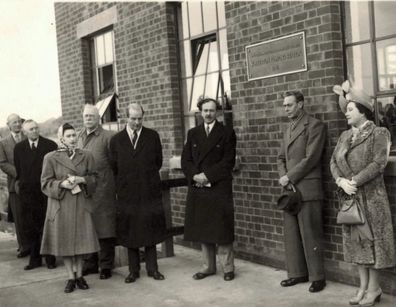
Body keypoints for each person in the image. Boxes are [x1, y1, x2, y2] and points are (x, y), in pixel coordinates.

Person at [330, 87, 395, 306]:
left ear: (362, 111)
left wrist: (353, 182)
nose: (346, 113)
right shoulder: (344, 136)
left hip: (371, 199)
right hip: (351, 200)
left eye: (350, 109)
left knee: (372, 243)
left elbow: (378, 163)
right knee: (356, 245)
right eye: (346, 109)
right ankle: (362, 287)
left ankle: (374, 289)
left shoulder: (379, 133)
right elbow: (333, 162)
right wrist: (340, 181)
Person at [109, 103, 166, 283]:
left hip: (149, 191)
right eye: (133, 119)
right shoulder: (116, 140)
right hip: (128, 194)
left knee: (150, 230)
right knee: (130, 231)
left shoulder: (152, 136)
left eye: (140, 118)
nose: (136, 122)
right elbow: (114, 167)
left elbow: (158, 162)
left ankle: (152, 268)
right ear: (126, 118)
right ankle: (133, 270)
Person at [181, 97, 237, 281]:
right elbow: (185, 160)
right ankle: (208, 267)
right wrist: (195, 176)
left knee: (222, 228)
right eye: (205, 110)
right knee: (204, 227)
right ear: (200, 112)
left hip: (219, 187)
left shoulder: (227, 133)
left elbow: (228, 161)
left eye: (212, 110)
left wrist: (208, 176)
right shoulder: (193, 133)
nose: (208, 114)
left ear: (217, 112)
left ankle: (228, 268)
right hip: (199, 186)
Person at [40, 123, 100, 293]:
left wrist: (83, 180)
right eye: (69, 136)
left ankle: (80, 276)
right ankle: (70, 277)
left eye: (74, 135)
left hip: (81, 203)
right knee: (65, 243)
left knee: (81, 241)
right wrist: (62, 184)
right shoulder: (50, 158)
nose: (73, 139)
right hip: (61, 205)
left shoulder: (86, 155)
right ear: (61, 139)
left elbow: (95, 178)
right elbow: (45, 184)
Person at [277, 91, 326, 292]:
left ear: (301, 104)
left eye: (289, 105)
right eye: (284, 105)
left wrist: (289, 176)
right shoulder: (288, 128)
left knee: (310, 233)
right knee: (292, 233)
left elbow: (311, 158)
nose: (286, 108)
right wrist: (283, 177)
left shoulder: (314, 125)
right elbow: (280, 157)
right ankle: (297, 273)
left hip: (307, 188)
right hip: (290, 189)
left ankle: (318, 277)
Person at [77, 104, 116, 280]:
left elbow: (116, 164)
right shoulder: (78, 137)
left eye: (91, 116)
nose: (88, 119)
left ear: (98, 118)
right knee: (88, 228)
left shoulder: (108, 137)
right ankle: (90, 263)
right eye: (86, 116)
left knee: (105, 228)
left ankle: (106, 265)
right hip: (85, 191)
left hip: (104, 190)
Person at [13, 120, 58, 270]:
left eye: (36, 128)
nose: (35, 130)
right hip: (28, 194)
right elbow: (19, 171)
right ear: (25, 132)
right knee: (31, 226)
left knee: (47, 224)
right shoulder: (19, 148)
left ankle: (50, 258)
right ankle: (35, 258)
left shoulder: (50, 146)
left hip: (45, 192)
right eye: (31, 129)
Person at [0, 114, 30, 258]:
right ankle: (24, 246)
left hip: (32, 184)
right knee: (19, 216)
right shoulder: (3, 142)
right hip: (14, 184)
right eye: (14, 122)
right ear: (8, 125)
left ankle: (36, 246)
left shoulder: (29, 137)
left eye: (19, 122)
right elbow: (2, 163)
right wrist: (19, 173)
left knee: (32, 214)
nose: (18, 124)